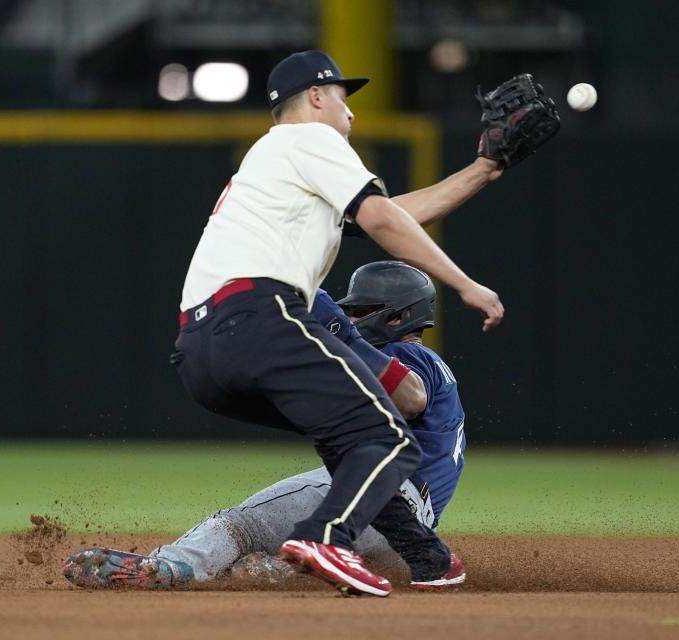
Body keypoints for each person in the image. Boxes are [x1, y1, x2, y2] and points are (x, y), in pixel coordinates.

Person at [68, 49, 505, 598]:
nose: (350, 115)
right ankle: (330, 539)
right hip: (259, 316)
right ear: (317, 96)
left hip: (200, 348)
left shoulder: (274, 172)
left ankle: (422, 559)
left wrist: (486, 168)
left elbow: (391, 213)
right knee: (385, 439)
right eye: (344, 99)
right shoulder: (312, 139)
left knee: (352, 438)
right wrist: (464, 283)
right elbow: (380, 217)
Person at [64, 264, 469, 592]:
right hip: (405, 534)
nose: (349, 318)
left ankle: (168, 566)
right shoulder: (423, 367)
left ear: (399, 316)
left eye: (360, 311)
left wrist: (341, 336)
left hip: (380, 495)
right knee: (277, 551)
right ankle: (278, 572)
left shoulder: (406, 354)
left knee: (240, 525)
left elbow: (411, 397)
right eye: (348, 311)